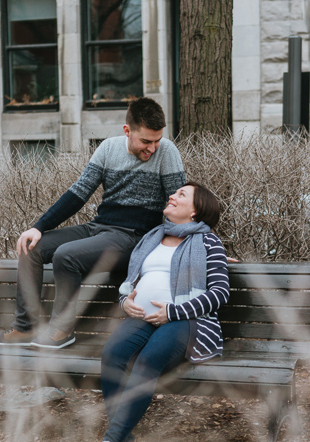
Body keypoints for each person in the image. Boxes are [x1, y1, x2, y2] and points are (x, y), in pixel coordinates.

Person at [0, 98, 186, 349]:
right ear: (127, 131)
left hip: (133, 237)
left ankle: (61, 331)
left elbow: (181, 206)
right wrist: (38, 227)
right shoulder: (109, 149)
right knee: (31, 248)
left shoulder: (167, 152)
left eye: (157, 140)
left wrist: (200, 244)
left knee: (67, 255)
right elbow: (79, 193)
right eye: (145, 141)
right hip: (100, 228)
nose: (152, 148)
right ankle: (25, 328)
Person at [100, 182, 229, 442]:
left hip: (188, 320)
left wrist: (173, 311)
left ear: (196, 210)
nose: (172, 195)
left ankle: (113, 438)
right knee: (112, 354)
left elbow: (219, 293)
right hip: (143, 318)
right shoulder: (153, 237)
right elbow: (130, 282)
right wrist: (124, 301)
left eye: (181, 194)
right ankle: (123, 435)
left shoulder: (208, 242)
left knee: (148, 360)